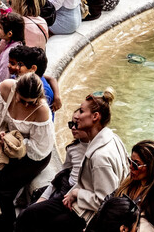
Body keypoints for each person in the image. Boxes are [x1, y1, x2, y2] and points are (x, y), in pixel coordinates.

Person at [15, 89, 127, 231]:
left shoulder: (100, 157)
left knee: (32, 218)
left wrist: (76, 193)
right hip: (79, 204)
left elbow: (104, 200)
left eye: (81, 111)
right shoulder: (113, 139)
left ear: (95, 116)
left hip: (85, 215)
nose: (77, 116)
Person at [0, 73, 54, 231]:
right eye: (22, 100)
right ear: (15, 89)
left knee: (1, 188)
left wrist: (12, 140)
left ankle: (6, 227)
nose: (25, 105)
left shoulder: (42, 110)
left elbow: (40, 147)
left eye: (30, 102)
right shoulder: (5, 87)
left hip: (34, 155)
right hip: (8, 144)